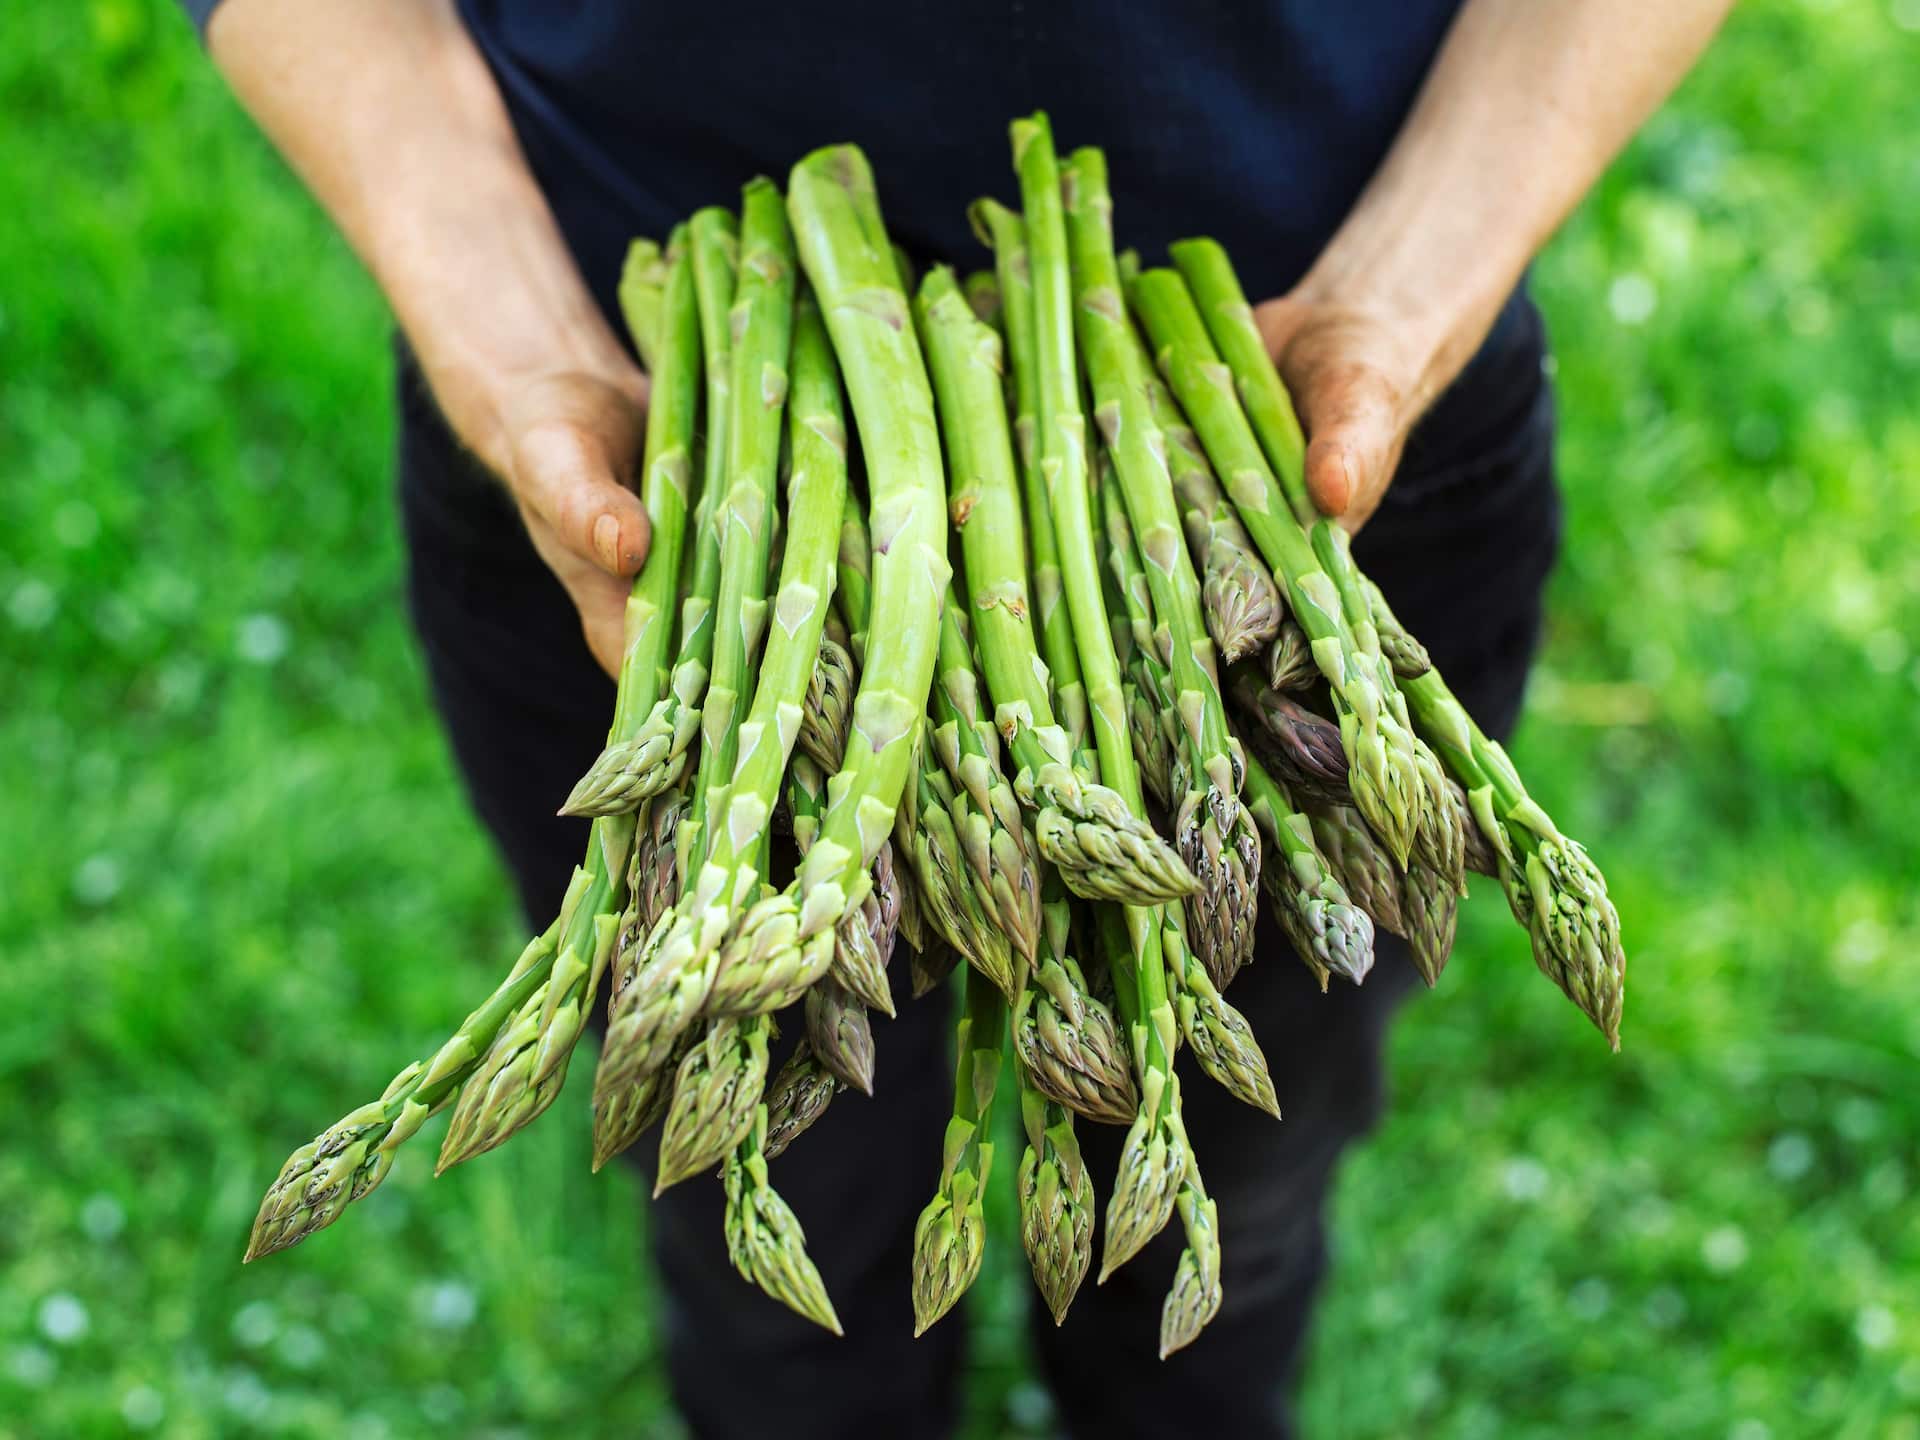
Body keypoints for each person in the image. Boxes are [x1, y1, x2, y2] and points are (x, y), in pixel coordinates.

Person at [178, 2, 1728, 1435]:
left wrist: (1412, 287)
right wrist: (496, 315)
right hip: (656, 457)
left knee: (1225, 1207)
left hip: (1287, 425)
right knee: (779, 1261)